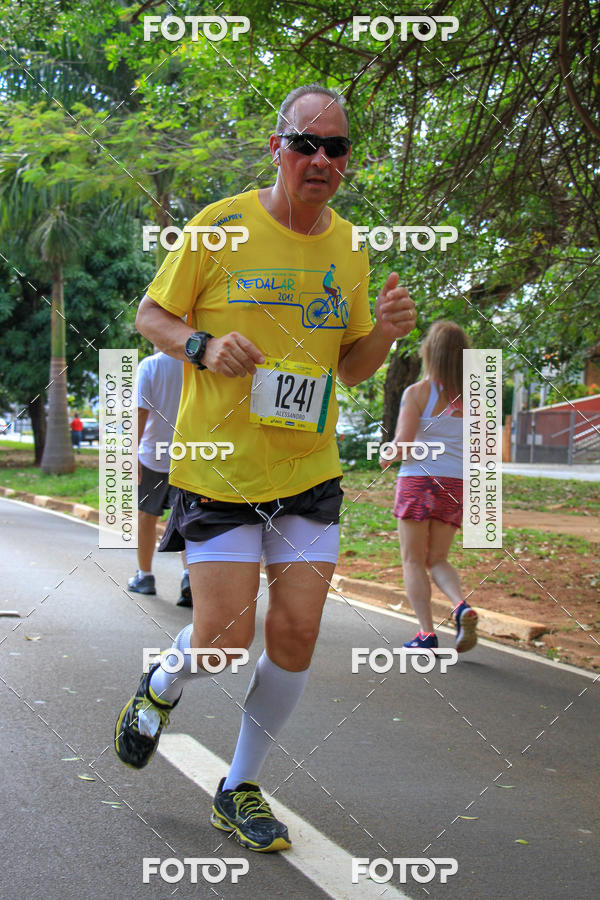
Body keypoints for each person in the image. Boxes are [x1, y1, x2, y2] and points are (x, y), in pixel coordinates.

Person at [114, 83, 417, 853]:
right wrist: (202, 347)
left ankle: (239, 786)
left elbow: (350, 370)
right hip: (221, 472)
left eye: (336, 147)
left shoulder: (349, 245)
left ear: (346, 161)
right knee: (220, 641)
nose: (320, 159)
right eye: (306, 143)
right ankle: (162, 683)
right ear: (276, 148)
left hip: (307, 471)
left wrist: (382, 332)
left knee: (296, 632)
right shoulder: (218, 227)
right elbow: (150, 314)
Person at [380, 320, 478, 652]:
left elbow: (403, 444)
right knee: (437, 558)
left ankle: (426, 634)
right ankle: (461, 606)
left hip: (418, 481)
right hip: (456, 483)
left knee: (411, 559)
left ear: (429, 353)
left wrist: (385, 455)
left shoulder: (418, 393)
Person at [127, 350, 192, 607]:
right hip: (188, 456)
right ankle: (189, 578)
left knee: (146, 516)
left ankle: (145, 576)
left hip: (153, 456)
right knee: (188, 519)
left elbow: (140, 413)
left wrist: (131, 456)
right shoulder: (195, 363)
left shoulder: (150, 366)